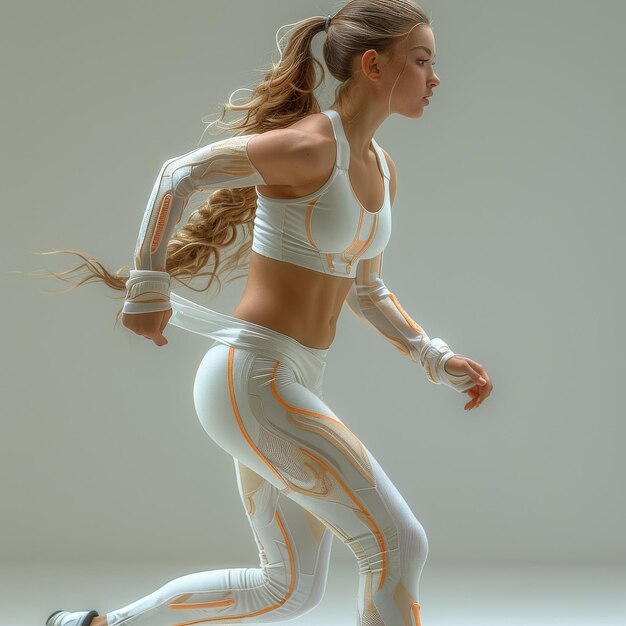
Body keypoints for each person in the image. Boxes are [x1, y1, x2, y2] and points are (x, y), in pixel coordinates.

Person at [42, 1, 492, 625]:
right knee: (397, 544)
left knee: (286, 588)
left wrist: (433, 356)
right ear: (374, 66)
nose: (435, 77)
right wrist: (146, 288)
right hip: (254, 378)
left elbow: (366, 290)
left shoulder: (383, 169)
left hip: (291, 379)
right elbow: (179, 174)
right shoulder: (310, 146)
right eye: (422, 61)